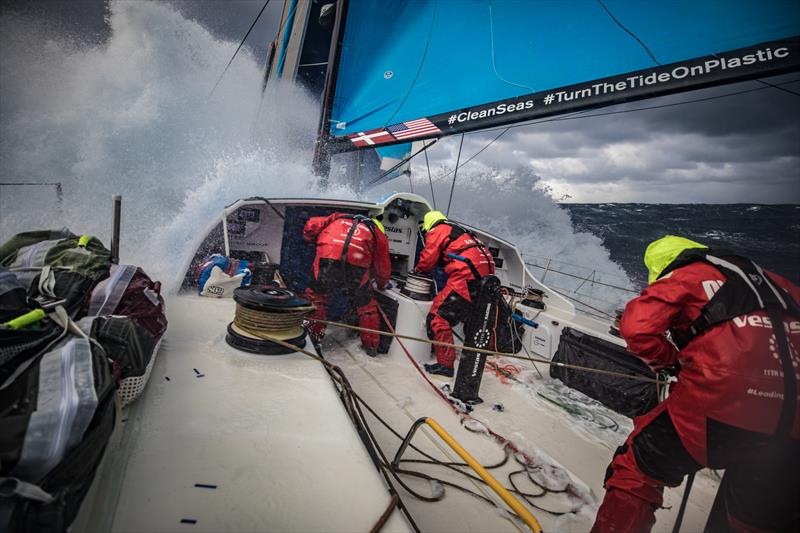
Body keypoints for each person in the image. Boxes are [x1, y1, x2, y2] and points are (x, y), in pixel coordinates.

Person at [592, 235, 800, 533]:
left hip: (720, 401)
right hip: (793, 421)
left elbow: (637, 329)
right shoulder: (781, 284)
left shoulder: (689, 273)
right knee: (758, 514)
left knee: (635, 471)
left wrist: (672, 362)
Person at [415, 210, 495, 377]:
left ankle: (445, 366)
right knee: (474, 317)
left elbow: (428, 260)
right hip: (487, 275)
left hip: (467, 275)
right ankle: (479, 354)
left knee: (439, 318)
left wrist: (418, 270)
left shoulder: (437, 230)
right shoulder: (461, 231)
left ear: (428, 224)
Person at [302, 213, 391, 356]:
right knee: (366, 306)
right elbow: (383, 266)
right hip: (356, 264)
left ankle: (313, 338)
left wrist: (310, 239)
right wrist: (382, 284)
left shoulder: (338, 217)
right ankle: (371, 348)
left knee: (317, 298)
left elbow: (311, 224)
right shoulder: (377, 233)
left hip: (328, 257)